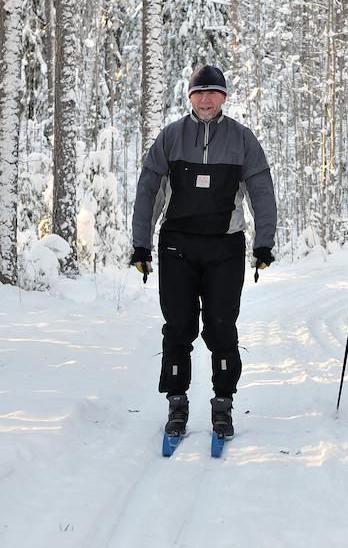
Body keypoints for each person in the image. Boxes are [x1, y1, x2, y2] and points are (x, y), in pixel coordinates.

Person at [130, 65, 277, 440]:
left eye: (213, 92)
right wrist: (141, 244)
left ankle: (223, 403)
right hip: (178, 245)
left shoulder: (242, 140)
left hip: (225, 247)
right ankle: (177, 403)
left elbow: (261, 192)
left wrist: (264, 242)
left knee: (221, 326)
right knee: (179, 327)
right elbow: (149, 191)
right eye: (199, 92)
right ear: (189, 97)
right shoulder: (171, 138)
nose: (206, 99)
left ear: (224, 97)